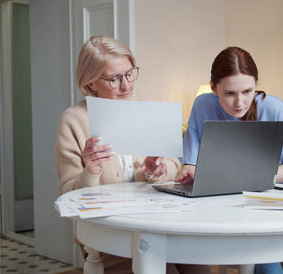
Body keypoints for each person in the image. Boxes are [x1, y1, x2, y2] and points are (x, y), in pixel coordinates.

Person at [55, 35, 210, 274]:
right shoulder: (73, 120)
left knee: (200, 262)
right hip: (109, 232)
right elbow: (67, 195)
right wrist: (91, 171)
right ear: (91, 82)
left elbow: (171, 166)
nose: (126, 85)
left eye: (130, 74)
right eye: (115, 79)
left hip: (157, 222)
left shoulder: (143, 109)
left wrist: (157, 170)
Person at [175, 46, 283, 274]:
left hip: (273, 206)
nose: (240, 102)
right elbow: (191, 162)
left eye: (247, 91)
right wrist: (187, 170)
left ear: (256, 83)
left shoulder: (273, 107)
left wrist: (255, 177)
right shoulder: (202, 106)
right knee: (269, 269)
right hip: (224, 210)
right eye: (229, 93)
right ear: (214, 88)